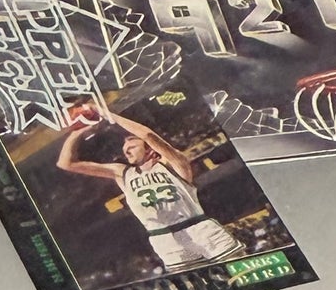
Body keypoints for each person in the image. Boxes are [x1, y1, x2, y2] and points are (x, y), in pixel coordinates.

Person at [55, 96, 246, 272]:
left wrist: (107, 114)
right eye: (125, 148)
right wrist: (77, 131)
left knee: (243, 272)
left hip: (199, 229)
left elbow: (148, 135)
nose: (126, 150)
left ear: (150, 151)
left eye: (132, 145)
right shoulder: (123, 173)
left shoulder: (173, 164)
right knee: (199, 285)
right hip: (163, 239)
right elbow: (66, 163)